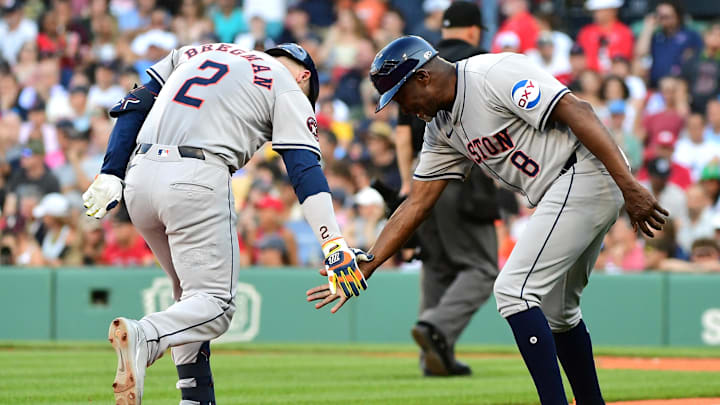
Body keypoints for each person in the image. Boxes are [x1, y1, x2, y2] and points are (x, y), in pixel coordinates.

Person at [307, 36, 668, 405]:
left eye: (401, 96)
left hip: (585, 171)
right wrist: (372, 260)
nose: (405, 108)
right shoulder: (440, 128)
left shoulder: (492, 73)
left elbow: (579, 111)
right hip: (562, 190)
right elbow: (417, 202)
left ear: (423, 77)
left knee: (513, 291)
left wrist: (630, 186)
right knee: (559, 312)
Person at [82, 42, 370, 404]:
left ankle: (195, 398)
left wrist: (110, 170)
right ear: (304, 75)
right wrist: (332, 243)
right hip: (196, 177)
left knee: (190, 303)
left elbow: (135, 104)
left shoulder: (198, 51)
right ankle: (146, 336)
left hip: (138, 177)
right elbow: (304, 170)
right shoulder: (287, 84)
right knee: (216, 306)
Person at [395, 1, 500, 377]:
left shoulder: (418, 67)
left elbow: (403, 134)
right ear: (474, 30)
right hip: (464, 178)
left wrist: (411, 186)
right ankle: (436, 330)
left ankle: (434, 357)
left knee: (437, 266)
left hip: (421, 178)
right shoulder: (475, 63)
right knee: (482, 267)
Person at [635, 0, 702, 88]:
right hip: (656, 86)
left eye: (666, 16)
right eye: (660, 16)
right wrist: (648, 28)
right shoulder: (656, 37)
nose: (662, 20)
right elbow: (641, 54)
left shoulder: (691, 36)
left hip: (680, 87)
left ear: (677, 16)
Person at [577, 0, 633, 74]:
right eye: (595, 11)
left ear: (612, 11)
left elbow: (625, 58)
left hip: (616, 76)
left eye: (600, 10)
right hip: (591, 75)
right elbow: (581, 58)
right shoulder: (586, 32)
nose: (596, 14)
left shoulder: (624, 31)